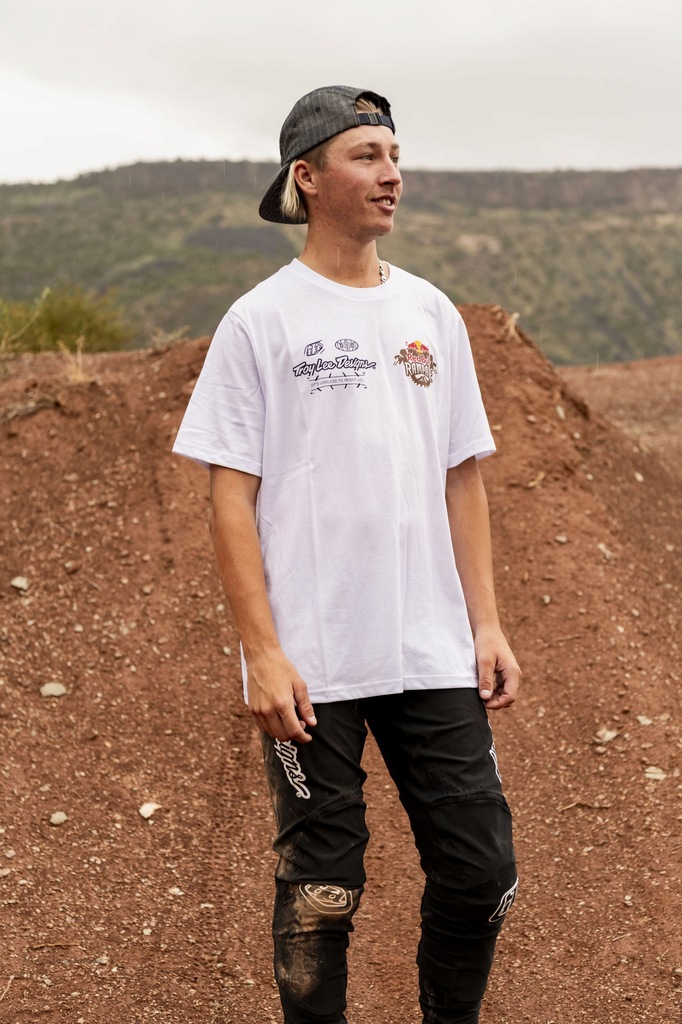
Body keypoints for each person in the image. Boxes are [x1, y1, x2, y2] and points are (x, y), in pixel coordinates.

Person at [173, 85, 520, 1024]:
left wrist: (486, 623)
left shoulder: (431, 312)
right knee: (323, 893)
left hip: (431, 647)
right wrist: (263, 652)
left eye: (395, 155)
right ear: (308, 177)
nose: (391, 173)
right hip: (313, 657)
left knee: (484, 873)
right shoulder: (261, 320)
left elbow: (462, 477)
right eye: (366, 155)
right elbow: (230, 498)